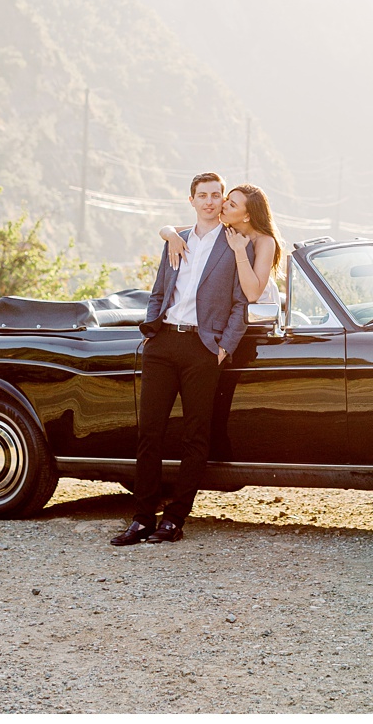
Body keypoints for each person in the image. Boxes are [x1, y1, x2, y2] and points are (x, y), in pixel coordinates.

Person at [111, 171, 251, 547]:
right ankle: (141, 518)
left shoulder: (236, 244)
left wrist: (224, 346)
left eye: (215, 195)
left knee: (196, 435)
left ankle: (174, 519)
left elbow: (241, 304)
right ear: (191, 200)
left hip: (202, 348)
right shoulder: (177, 239)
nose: (209, 201)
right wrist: (151, 326)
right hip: (163, 343)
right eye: (202, 195)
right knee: (149, 433)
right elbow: (159, 289)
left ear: (222, 200)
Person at [159, 182, 283, 306]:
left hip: (259, 313)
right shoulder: (225, 231)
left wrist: (239, 250)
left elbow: (252, 294)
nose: (224, 205)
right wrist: (172, 237)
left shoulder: (265, 241)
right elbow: (167, 229)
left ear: (247, 216)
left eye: (232, 205)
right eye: (227, 199)